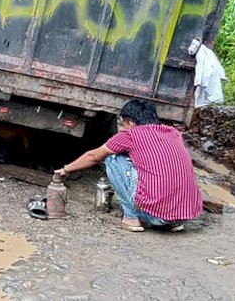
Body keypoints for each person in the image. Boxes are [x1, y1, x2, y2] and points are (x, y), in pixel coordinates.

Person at [55, 99, 203, 232]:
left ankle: (131, 217)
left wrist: (66, 169)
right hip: (185, 215)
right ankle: (172, 222)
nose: (124, 128)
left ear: (130, 122)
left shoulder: (131, 135)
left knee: (112, 159)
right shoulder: (173, 133)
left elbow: (93, 156)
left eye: (124, 124)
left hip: (153, 217)